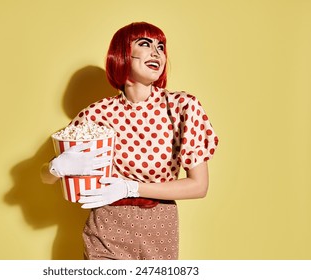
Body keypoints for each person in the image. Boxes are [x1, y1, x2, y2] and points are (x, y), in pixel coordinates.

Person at [41, 22, 219, 260]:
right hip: (106, 227)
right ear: (123, 53)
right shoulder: (97, 114)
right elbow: (46, 177)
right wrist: (56, 167)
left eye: (161, 47)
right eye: (145, 44)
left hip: (159, 227)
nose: (157, 52)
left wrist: (130, 187)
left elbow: (199, 186)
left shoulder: (182, 107)